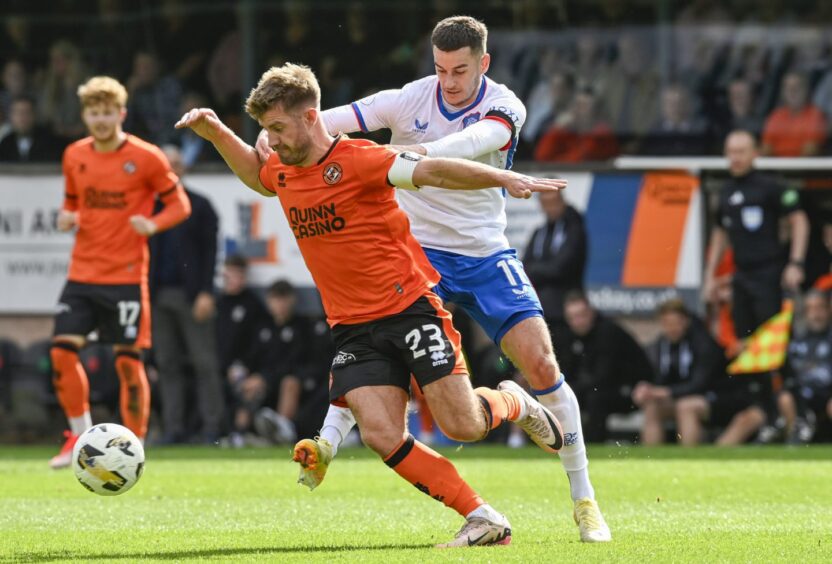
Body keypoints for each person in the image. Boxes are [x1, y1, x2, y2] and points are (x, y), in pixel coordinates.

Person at [176, 62, 567, 547]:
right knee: (382, 435)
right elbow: (258, 177)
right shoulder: (283, 167)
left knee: (463, 426)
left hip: (410, 309)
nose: (271, 141)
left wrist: (501, 179)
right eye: (264, 130)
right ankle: (482, 516)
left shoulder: (362, 159)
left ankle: (511, 400)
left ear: (311, 117)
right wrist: (216, 132)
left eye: (277, 128)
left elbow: (433, 170)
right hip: (352, 328)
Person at [256, 15, 611, 543]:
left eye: (460, 71)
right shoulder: (408, 98)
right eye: (441, 69)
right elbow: (328, 120)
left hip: (484, 251)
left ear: (483, 64)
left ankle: (584, 500)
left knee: (540, 361)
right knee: (367, 330)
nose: (448, 81)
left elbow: (473, 143)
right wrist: (271, 134)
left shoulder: (506, 105)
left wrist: (404, 156)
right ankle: (329, 439)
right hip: (418, 254)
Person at [49, 76, 191, 469]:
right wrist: (67, 218)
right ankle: (78, 437)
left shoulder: (146, 157)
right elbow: (72, 202)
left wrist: (153, 225)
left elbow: (179, 204)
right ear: (84, 116)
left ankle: (134, 449)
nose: (100, 119)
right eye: (93, 112)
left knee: (128, 362)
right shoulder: (74, 155)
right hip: (82, 273)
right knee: (61, 353)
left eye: (107, 111)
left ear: (121, 114)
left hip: (126, 276)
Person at [149, 145, 224, 444]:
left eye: (177, 163)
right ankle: (173, 428)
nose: (173, 169)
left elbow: (210, 254)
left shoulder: (201, 205)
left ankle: (213, 428)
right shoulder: (150, 207)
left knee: (204, 362)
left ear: (185, 168)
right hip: (157, 295)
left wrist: (207, 292)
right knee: (166, 364)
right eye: (167, 164)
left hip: (193, 296)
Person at [703, 130, 809, 342]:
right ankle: (750, 376)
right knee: (743, 336)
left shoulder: (770, 185)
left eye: (741, 152)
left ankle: (775, 376)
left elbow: (799, 220)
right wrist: (709, 276)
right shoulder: (726, 191)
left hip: (769, 273)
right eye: (731, 152)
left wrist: (796, 263)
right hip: (740, 274)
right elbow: (720, 233)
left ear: (755, 154)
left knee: (771, 337)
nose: (735, 158)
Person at [555, 291, 653, 443]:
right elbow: (566, 371)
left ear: (591, 313)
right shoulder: (569, 337)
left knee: (596, 398)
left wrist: (573, 388)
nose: (578, 321)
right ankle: (555, 444)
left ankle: (591, 446)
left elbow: (605, 377)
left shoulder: (608, 332)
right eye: (572, 318)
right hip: (593, 390)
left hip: (629, 392)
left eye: (581, 315)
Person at [250, 280, 331, 445]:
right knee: (248, 386)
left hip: (294, 377)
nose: (280, 305)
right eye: (276, 299)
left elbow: (301, 360)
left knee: (289, 382)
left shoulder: (302, 327)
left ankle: (282, 429)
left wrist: (266, 378)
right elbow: (253, 357)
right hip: (266, 378)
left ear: (292, 300)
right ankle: (240, 433)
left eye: (283, 299)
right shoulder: (263, 327)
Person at [633, 299, 724, 445]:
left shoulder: (703, 344)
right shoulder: (659, 347)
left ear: (686, 321)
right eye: (667, 324)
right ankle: (649, 460)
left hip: (714, 398)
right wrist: (645, 389)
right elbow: (654, 377)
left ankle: (689, 459)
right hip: (680, 397)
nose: (672, 328)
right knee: (652, 407)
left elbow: (699, 384)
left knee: (686, 406)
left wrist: (665, 392)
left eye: (676, 323)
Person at [523, 189, 587, 327]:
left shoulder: (574, 228)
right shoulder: (539, 232)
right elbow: (524, 268)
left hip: (566, 310)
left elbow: (560, 268)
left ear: (562, 200)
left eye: (554, 202)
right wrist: (542, 270)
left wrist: (537, 269)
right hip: (540, 307)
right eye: (546, 203)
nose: (551, 208)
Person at [779, 289, 832, 444]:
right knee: (785, 397)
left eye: (820, 308)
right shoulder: (797, 342)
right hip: (802, 395)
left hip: (827, 394)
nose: (815, 315)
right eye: (810, 309)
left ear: (828, 310)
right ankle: (794, 442)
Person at [215, 254, 272, 396]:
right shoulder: (217, 303)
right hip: (216, 367)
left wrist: (243, 365)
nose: (235, 279)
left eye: (239, 274)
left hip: (243, 368)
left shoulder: (253, 305)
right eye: (232, 273)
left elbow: (258, 342)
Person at [533, 86, 619, 162]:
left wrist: (555, 162)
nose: (577, 110)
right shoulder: (566, 132)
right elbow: (541, 156)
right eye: (576, 105)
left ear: (595, 112)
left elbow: (580, 160)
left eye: (584, 105)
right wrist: (557, 128)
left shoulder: (602, 133)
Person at [761, 72, 826, 157]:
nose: (792, 91)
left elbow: (810, 150)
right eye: (788, 88)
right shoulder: (776, 115)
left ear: (806, 90)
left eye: (797, 87)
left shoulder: (816, 115)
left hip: (805, 168)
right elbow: (766, 148)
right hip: (776, 167)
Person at [0, 96, 62, 162]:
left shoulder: (50, 142)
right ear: (11, 116)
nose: (22, 118)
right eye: (18, 113)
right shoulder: (5, 143)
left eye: (27, 112)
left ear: (35, 115)